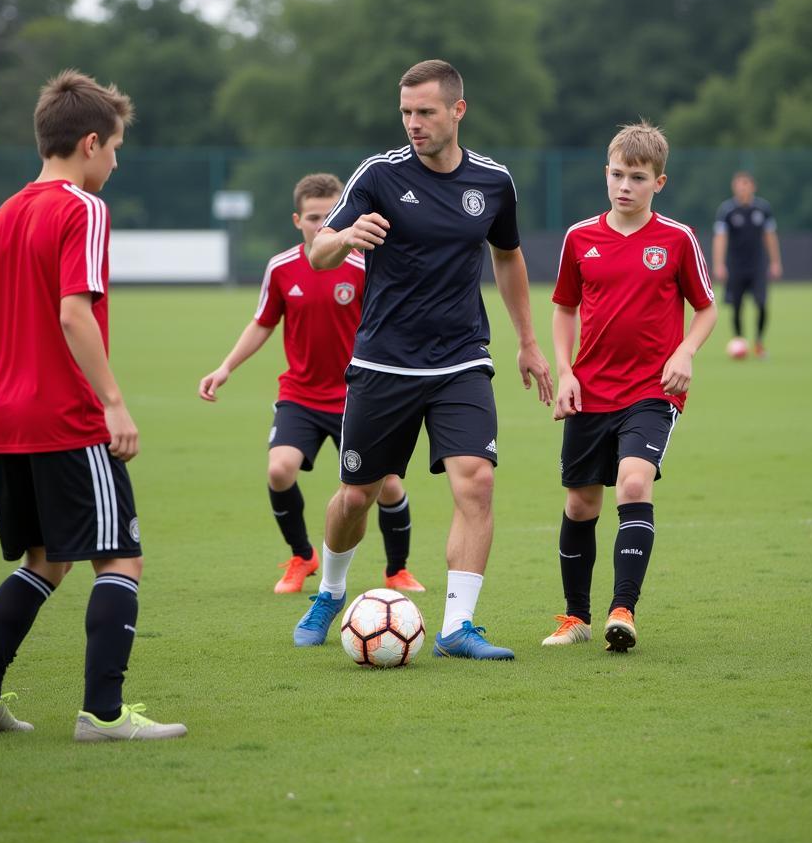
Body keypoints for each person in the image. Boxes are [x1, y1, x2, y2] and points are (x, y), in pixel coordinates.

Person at [0, 70, 185, 741]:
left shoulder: (3, 215)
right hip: (67, 417)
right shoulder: (82, 209)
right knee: (120, 558)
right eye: (114, 148)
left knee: (46, 559)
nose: (116, 160)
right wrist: (114, 405)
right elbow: (75, 313)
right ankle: (104, 715)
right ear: (88, 143)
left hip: (11, 420)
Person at [291, 59, 553, 660]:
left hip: (461, 357)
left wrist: (528, 341)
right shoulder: (378, 175)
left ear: (457, 111)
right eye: (406, 112)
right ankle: (330, 590)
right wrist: (344, 236)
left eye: (426, 112)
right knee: (357, 495)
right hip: (384, 361)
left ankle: (457, 627)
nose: (413, 123)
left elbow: (508, 257)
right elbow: (318, 254)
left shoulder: (493, 182)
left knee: (477, 482)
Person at [198, 173, 425, 595]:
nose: (323, 226)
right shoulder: (282, 268)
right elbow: (262, 323)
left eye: (330, 216)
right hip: (300, 395)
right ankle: (302, 556)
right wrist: (225, 367)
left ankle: (397, 570)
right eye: (314, 218)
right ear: (297, 219)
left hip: (358, 396)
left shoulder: (364, 265)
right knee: (280, 470)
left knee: (388, 485)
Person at [545, 121, 717, 653]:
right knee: (580, 506)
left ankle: (624, 610)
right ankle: (576, 617)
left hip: (651, 389)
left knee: (635, 484)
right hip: (590, 391)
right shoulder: (579, 238)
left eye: (637, 177)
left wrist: (686, 351)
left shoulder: (677, 239)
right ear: (606, 173)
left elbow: (707, 308)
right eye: (617, 174)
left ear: (658, 183)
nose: (625, 185)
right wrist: (566, 371)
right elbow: (564, 308)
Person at [712, 171, 782, 358]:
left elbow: (770, 236)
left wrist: (775, 262)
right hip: (735, 266)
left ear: (753, 186)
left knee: (761, 303)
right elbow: (720, 238)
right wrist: (719, 264)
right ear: (734, 187)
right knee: (736, 306)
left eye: (746, 184)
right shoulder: (726, 210)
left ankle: (759, 343)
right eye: (739, 184)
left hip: (757, 265)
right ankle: (739, 340)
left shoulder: (763, 209)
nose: (742, 188)